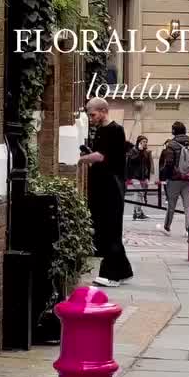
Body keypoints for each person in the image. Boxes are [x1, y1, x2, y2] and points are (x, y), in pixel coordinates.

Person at [80, 98, 133, 287]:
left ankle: (111, 275)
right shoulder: (101, 130)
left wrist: (80, 159)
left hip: (111, 187)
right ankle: (124, 270)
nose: (90, 118)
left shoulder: (115, 130)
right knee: (107, 228)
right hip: (103, 186)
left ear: (103, 111)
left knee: (110, 230)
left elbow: (101, 156)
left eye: (92, 114)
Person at [159, 121, 189, 234]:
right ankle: (188, 229)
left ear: (173, 131)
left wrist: (166, 176)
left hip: (174, 179)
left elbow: (169, 163)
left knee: (171, 205)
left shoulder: (171, 145)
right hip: (188, 179)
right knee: (188, 206)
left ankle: (167, 227)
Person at [127, 135, 153, 220]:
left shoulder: (146, 152)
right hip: (135, 176)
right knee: (139, 193)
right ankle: (138, 212)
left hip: (143, 176)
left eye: (146, 142)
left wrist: (148, 176)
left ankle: (137, 212)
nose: (145, 143)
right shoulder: (133, 151)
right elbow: (133, 161)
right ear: (139, 142)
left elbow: (148, 165)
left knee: (140, 195)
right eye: (143, 142)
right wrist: (139, 151)